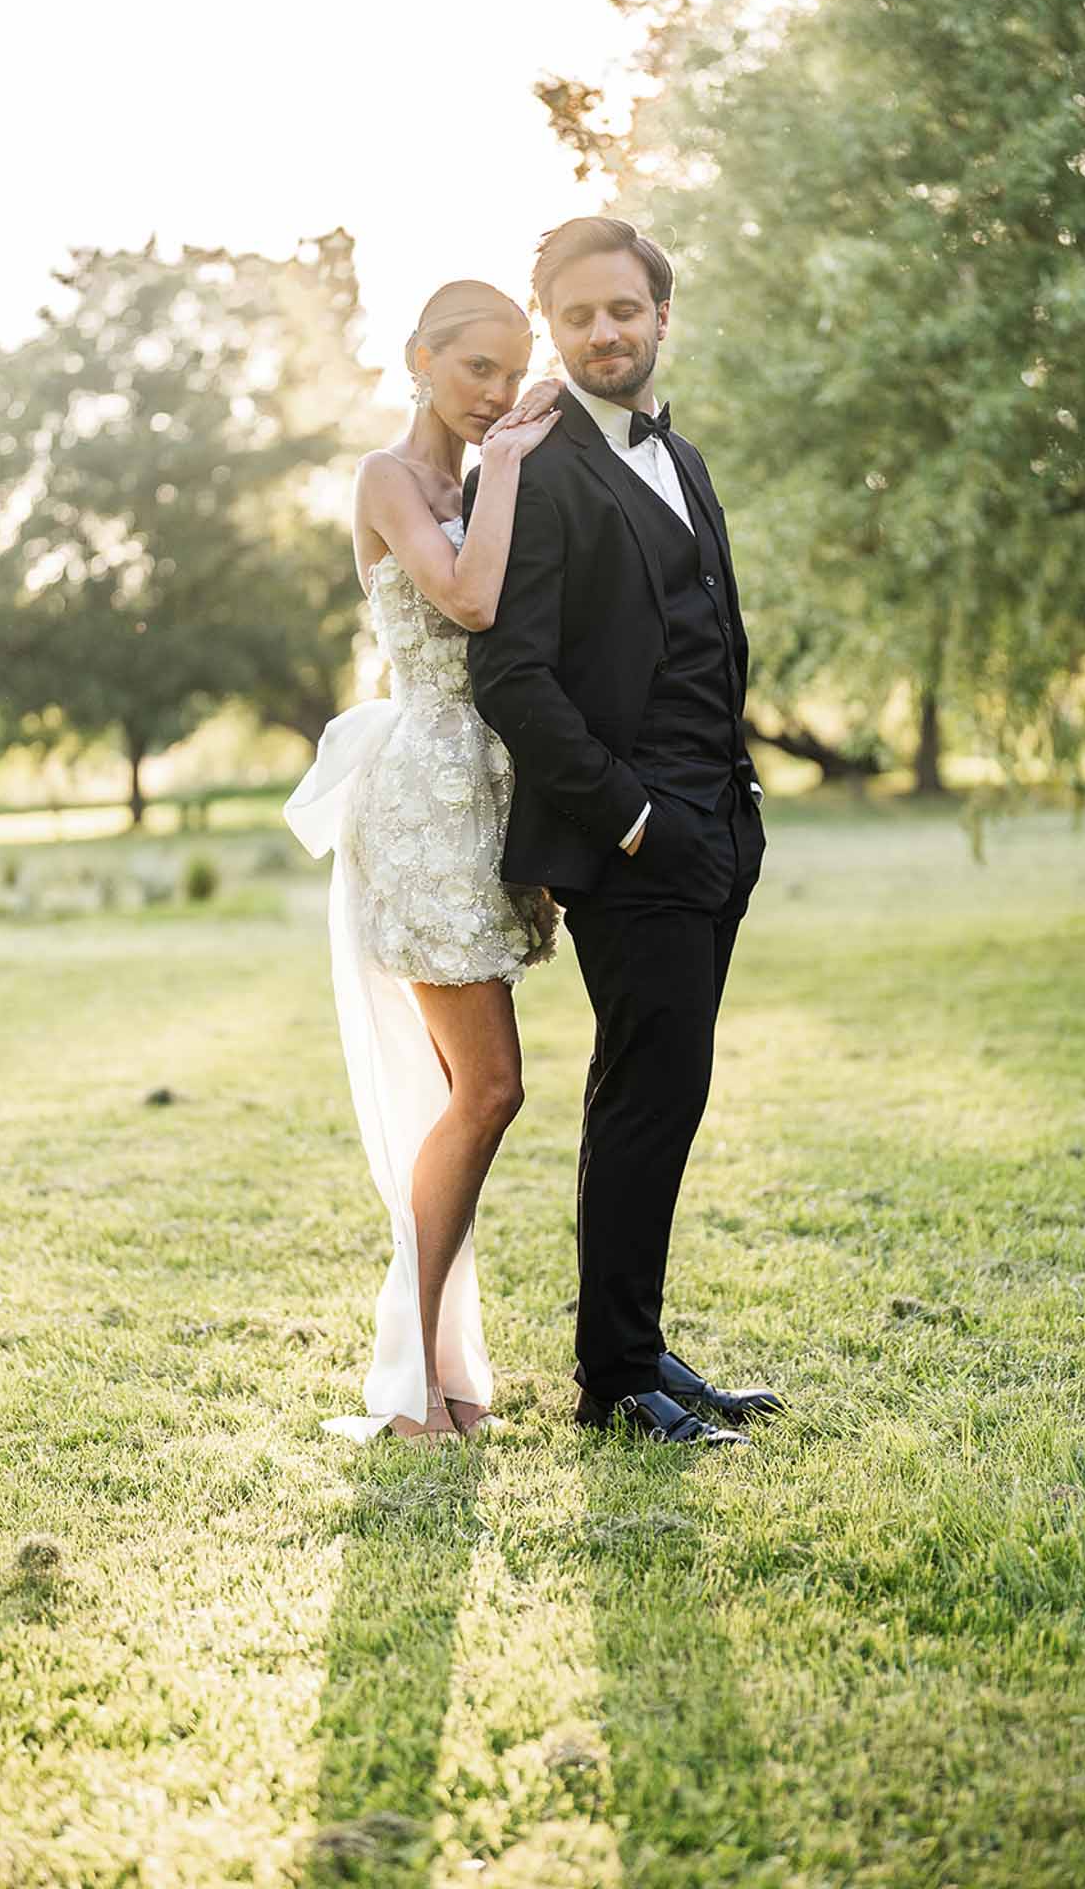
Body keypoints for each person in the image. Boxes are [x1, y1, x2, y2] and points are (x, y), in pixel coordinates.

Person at [467, 218, 787, 1450]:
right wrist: (640, 818)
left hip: (719, 825)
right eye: (579, 315)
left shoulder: (683, 454)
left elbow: (707, 637)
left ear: (661, 318)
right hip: (634, 837)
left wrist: (734, 807)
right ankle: (613, 1378)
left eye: (624, 309)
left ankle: (643, 1348)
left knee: (672, 1086)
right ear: (553, 327)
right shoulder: (540, 470)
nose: (605, 331)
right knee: (643, 1095)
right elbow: (513, 675)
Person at [284, 281, 562, 1444]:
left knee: (469, 1091)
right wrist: (507, 465)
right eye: (476, 369)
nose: (496, 392)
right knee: (488, 1086)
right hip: (419, 802)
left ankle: (443, 1370)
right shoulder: (389, 481)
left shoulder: (495, 471)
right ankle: (409, 1379)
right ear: (420, 360)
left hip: (492, 796)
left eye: (512, 371)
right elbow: (468, 595)